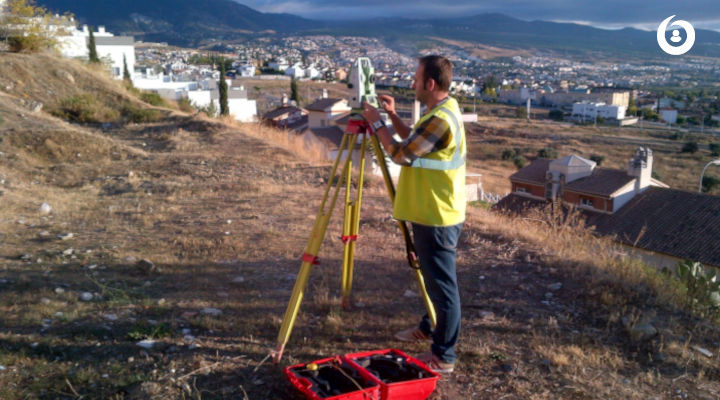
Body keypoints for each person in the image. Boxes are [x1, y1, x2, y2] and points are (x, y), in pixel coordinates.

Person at [362, 55, 466, 374]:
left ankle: (443, 356)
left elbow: (401, 154)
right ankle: (428, 325)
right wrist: (391, 116)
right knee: (433, 281)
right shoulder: (442, 110)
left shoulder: (441, 119)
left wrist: (376, 123)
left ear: (430, 84)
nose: (412, 84)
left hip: (436, 216)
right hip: (431, 211)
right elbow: (413, 141)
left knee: (443, 289)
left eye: (416, 79)